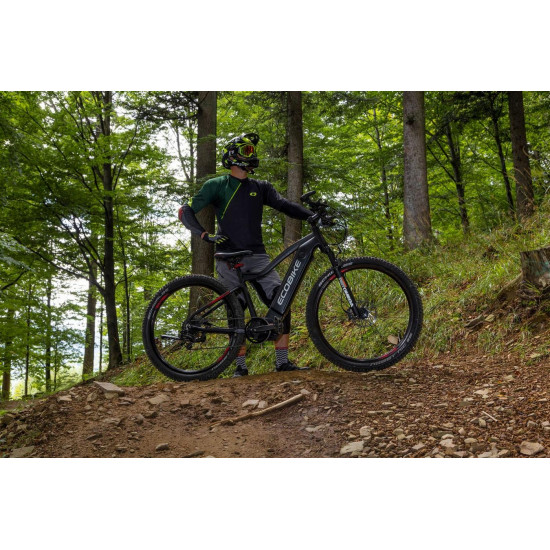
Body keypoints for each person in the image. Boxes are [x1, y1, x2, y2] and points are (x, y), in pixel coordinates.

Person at [179, 132, 313, 377]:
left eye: (253, 151)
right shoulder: (217, 185)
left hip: (258, 257)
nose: (252, 155)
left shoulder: (261, 187)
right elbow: (185, 210)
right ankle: (240, 367)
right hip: (228, 259)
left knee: (281, 302)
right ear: (233, 156)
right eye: (247, 151)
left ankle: (282, 363)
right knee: (236, 311)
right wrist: (204, 235)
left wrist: (312, 216)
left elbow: (285, 205)